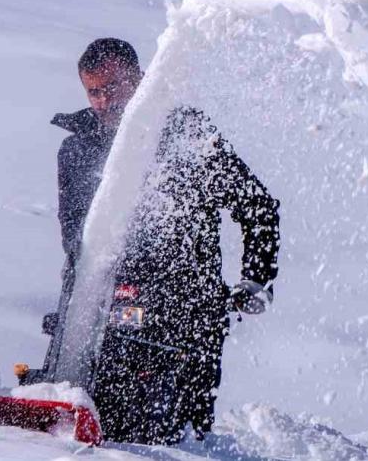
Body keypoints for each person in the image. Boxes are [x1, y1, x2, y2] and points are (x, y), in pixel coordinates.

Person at [48, 38, 281, 443]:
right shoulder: (77, 148)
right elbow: (74, 232)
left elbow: (257, 206)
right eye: (94, 91)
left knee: (178, 439)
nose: (104, 101)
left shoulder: (188, 138)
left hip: (185, 317)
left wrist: (255, 279)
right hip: (97, 307)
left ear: (140, 80)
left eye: (113, 87)